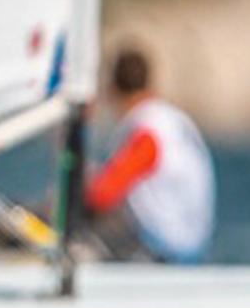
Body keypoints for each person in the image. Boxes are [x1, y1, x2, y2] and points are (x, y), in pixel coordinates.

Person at [83, 45, 215, 264]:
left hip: (165, 251)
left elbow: (102, 195)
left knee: (75, 209)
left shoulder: (146, 131)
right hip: (192, 246)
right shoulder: (172, 120)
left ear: (113, 90)